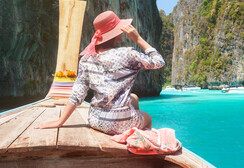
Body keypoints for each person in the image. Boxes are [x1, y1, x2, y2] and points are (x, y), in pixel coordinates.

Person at [35, 10, 165, 135]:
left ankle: (130, 119)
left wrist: (60, 121)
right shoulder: (127, 54)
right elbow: (158, 61)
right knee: (147, 117)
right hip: (121, 123)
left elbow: (77, 95)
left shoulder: (86, 59)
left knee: (134, 98)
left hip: (96, 120)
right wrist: (138, 39)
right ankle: (137, 144)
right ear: (114, 32)